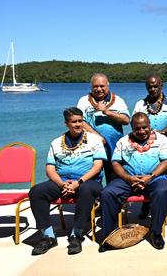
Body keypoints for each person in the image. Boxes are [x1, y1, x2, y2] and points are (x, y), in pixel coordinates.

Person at [29, 107, 105, 255]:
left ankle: (76, 235)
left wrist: (79, 182)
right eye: (74, 122)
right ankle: (48, 236)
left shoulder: (94, 140)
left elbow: (98, 166)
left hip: (87, 181)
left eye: (80, 121)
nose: (78, 124)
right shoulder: (56, 142)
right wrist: (61, 184)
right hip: (62, 181)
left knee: (86, 189)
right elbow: (50, 169)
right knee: (36, 192)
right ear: (66, 124)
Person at [99, 113, 167, 251]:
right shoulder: (123, 141)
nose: (142, 131)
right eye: (137, 128)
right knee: (107, 193)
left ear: (150, 125)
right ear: (132, 128)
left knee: (162, 192)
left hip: (154, 178)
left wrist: (150, 176)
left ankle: (156, 232)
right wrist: (128, 178)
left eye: (145, 127)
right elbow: (115, 163)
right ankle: (109, 236)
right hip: (129, 178)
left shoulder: (161, 139)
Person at [133, 74, 167, 218]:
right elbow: (135, 124)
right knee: (147, 177)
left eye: (156, 86)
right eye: (150, 87)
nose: (153, 89)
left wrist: (162, 133)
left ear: (161, 86)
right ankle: (145, 207)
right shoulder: (140, 105)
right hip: (145, 150)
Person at [76, 73, 130, 182]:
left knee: (114, 178)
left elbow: (126, 120)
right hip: (91, 147)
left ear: (108, 85)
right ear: (91, 87)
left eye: (102, 86)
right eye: (95, 86)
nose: (99, 89)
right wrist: (96, 136)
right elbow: (81, 121)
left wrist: (106, 112)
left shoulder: (118, 100)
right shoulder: (83, 101)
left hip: (114, 147)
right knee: (93, 177)